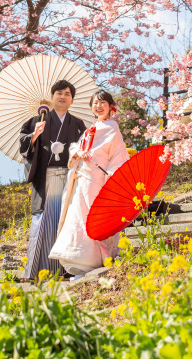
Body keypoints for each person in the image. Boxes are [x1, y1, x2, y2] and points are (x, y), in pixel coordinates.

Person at [49, 90, 130, 276]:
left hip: (98, 179)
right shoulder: (91, 128)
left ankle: (99, 259)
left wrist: (111, 179)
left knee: (93, 218)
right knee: (78, 217)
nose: (98, 106)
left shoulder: (112, 128)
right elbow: (76, 148)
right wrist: (78, 152)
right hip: (81, 179)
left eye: (102, 103)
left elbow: (118, 156)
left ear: (111, 107)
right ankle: (80, 261)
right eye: (95, 103)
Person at [18, 80, 87, 280]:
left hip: (69, 178)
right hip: (46, 178)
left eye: (67, 94)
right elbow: (23, 144)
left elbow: (84, 148)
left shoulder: (77, 124)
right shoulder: (37, 121)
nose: (63, 96)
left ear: (72, 100)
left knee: (67, 221)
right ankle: (39, 270)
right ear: (52, 97)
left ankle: (66, 269)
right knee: (43, 222)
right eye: (59, 93)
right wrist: (34, 135)